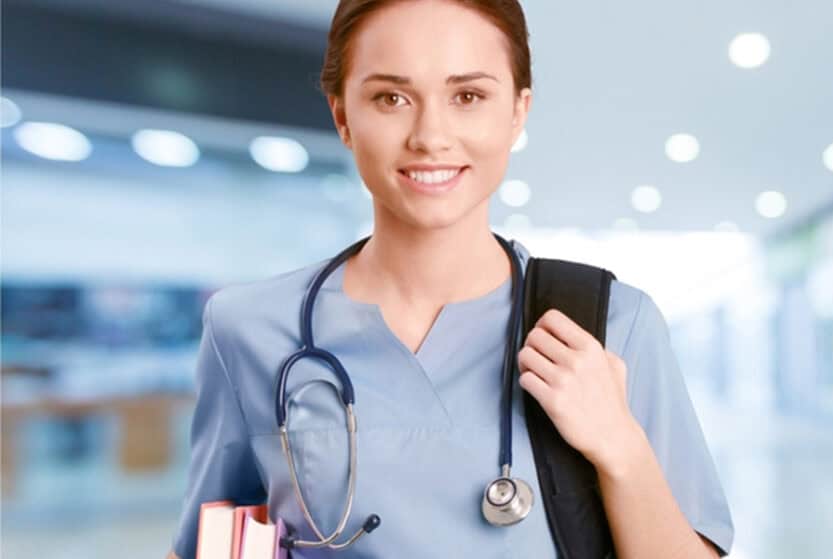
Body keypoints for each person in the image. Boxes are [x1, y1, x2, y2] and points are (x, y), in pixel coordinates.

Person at [167, 1, 734, 557]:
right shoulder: (249, 328)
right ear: (343, 116)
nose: (430, 135)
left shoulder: (611, 322)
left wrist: (621, 448)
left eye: (468, 96)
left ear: (517, 111)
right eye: (391, 98)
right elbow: (203, 546)